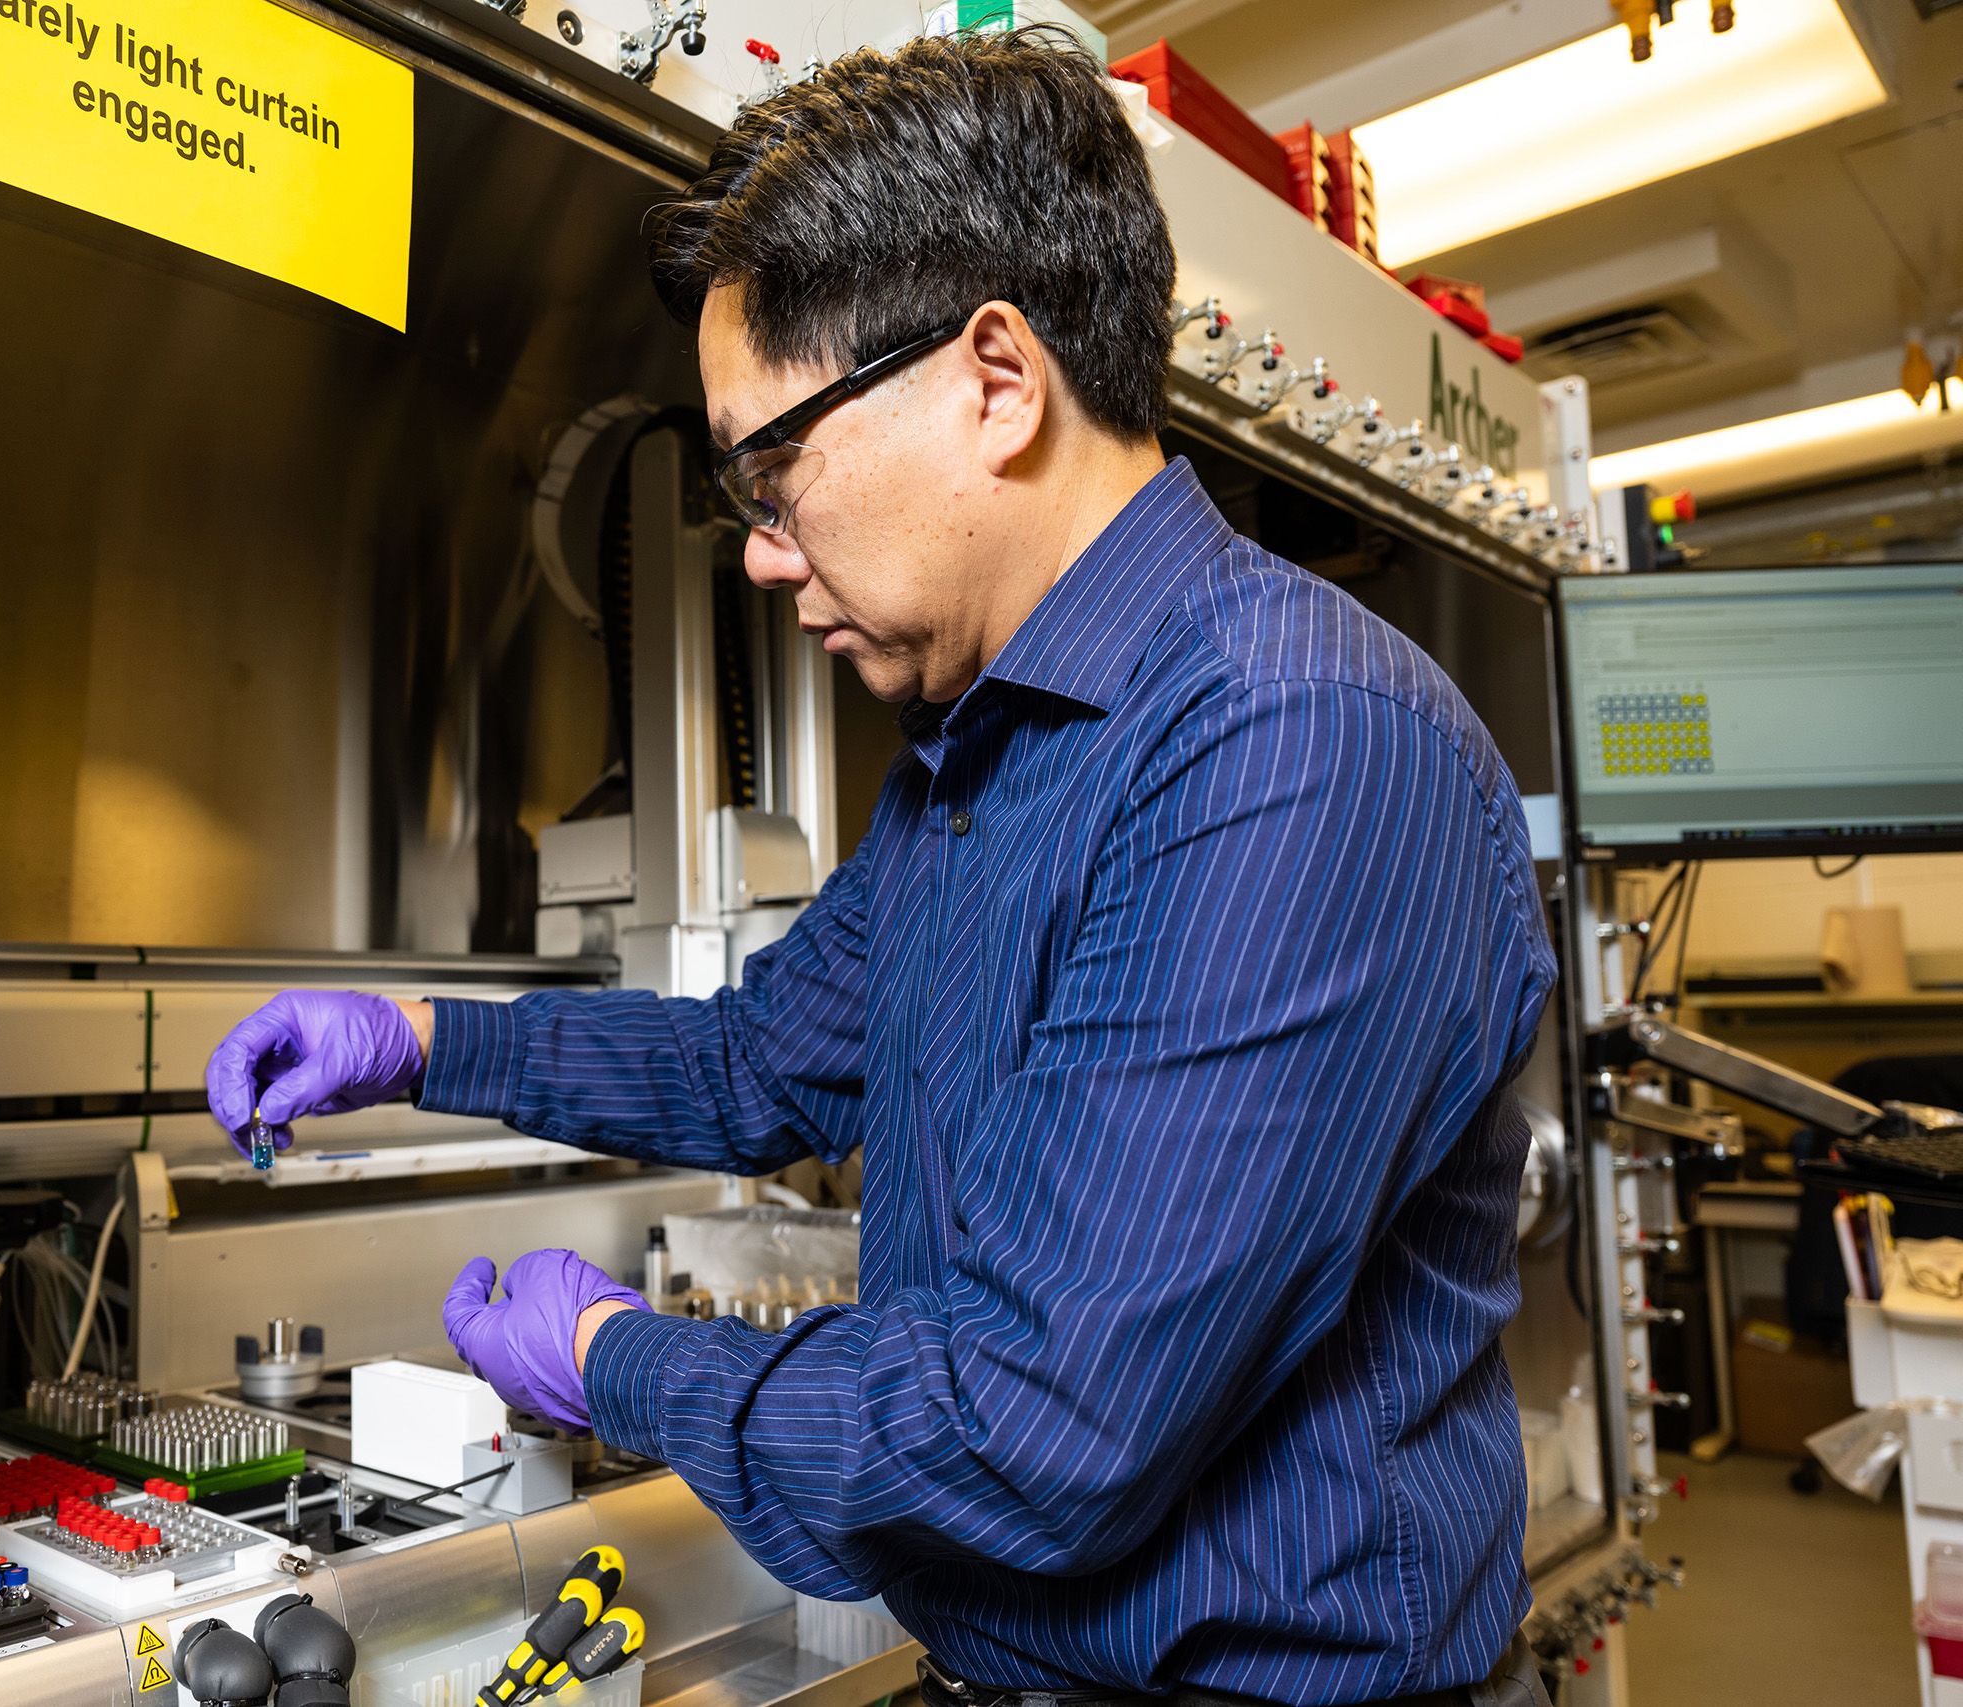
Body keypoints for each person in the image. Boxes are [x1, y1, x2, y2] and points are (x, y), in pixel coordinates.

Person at [206, 29, 1556, 1707]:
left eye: (775, 473)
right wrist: (420, 1042)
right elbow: (759, 1058)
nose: (766, 554)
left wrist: (617, 1358)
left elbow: (1040, 1429)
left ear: (996, 378)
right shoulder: (990, 754)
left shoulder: (1299, 749)